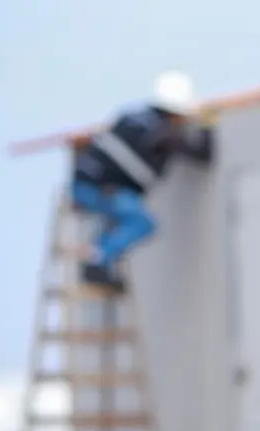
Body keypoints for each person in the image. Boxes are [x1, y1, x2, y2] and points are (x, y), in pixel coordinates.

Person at [71, 70, 215, 293]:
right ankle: (98, 262)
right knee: (141, 223)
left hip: (85, 183)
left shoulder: (131, 117)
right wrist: (207, 128)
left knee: (116, 221)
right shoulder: (163, 133)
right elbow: (201, 153)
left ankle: (100, 261)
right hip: (102, 189)